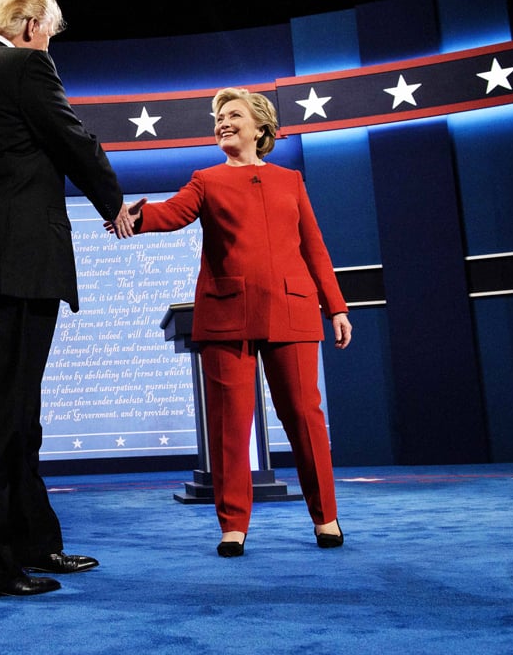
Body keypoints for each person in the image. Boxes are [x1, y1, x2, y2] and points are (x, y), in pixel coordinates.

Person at [0, 0, 137, 599]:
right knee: (0, 414)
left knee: (17, 412)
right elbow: (73, 139)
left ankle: (33, 543)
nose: (50, 43)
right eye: (50, 31)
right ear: (29, 24)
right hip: (15, 264)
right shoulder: (23, 64)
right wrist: (115, 202)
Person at [111, 87, 352, 557]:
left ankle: (326, 518)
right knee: (229, 426)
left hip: (292, 310)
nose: (223, 122)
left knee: (305, 418)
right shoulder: (206, 179)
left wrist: (336, 306)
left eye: (233, 115)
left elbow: (314, 248)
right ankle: (233, 526)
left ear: (260, 127)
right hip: (227, 316)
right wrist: (137, 218)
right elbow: (172, 212)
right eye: (219, 117)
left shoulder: (291, 181)